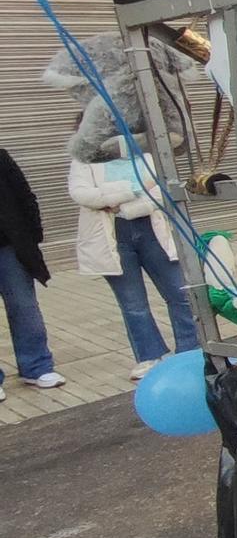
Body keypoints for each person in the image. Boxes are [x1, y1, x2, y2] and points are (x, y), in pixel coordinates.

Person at [69, 137, 199, 378]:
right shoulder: (85, 156)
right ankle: (149, 356)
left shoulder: (146, 149)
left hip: (152, 230)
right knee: (133, 304)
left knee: (180, 293)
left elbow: (161, 191)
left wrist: (118, 202)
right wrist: (134, 189)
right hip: (111, 235)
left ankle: (190, 348)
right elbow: (81, 194)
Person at [0, 148, 64, 399]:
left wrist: (33, 237)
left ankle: (36, 367)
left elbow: (25, 195)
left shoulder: (0, 156)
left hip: (9, 247)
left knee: (24, 308)